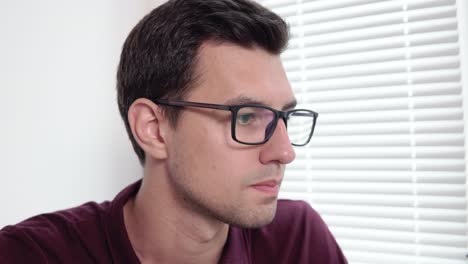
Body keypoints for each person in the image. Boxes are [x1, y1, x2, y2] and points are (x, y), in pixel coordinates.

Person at [0, 0, 347, 263]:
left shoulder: (297, 239)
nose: (285, 152)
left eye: (284, 117)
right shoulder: (31, 254)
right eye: (246, 117)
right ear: (153, 129)